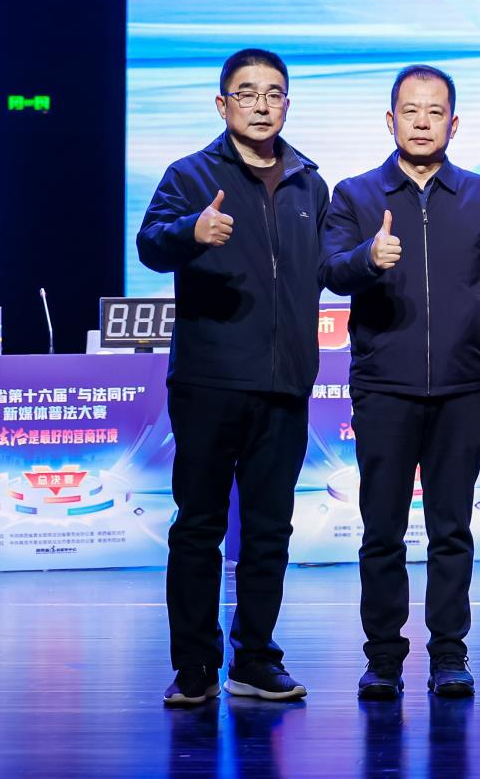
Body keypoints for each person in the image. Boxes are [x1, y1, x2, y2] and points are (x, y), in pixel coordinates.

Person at [320, 64, 480, 700]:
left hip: (463, 387)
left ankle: (449, 654)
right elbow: (330, 269)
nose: (422, 122)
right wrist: (368, 258)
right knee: (381, 529)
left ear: (453, 124)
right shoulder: (356, 195)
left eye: (435, 112)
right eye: (410, 111)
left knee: (451, 529)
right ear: (390, 120)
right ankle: (383, 657)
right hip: (384, 385)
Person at [138, 48, 328, 707]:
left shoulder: (310, 183)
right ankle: (194, 665)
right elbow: (150, 244)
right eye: (247, 93)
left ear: (287, 104)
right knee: (199, 526)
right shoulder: (190, 175)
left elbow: (328, 267)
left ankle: (255, 660)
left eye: (273, 93)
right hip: (210, 381)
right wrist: (192, 231)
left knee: (270, 531)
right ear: (223, 105)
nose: (261, 105)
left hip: (285, 384)